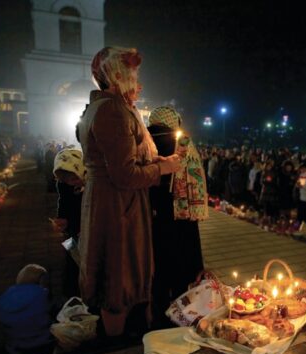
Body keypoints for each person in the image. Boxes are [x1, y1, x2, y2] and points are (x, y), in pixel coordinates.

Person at [77, 46, 182, 336]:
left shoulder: (113, 107)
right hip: (117, 206)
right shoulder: (112, 110)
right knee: (117, 277)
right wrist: (162, 169)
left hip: (116, 201)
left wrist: (159, 160)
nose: (138, 83)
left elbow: (130, 157)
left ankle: (126, 334)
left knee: (122, 272)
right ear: (117, 76)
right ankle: (116, 352)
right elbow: (124, 174)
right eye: (133, 75)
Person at [146, 106, 207, 329]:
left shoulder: (144, 141)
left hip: (151, 214)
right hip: (181, 217)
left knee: (158, 268)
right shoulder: (182, 143)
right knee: (182, 266)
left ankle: (158, 317)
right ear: (174, 121)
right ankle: (183, 316)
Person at [0, 264, 54, 354]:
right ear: (41, 280)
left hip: (15, 348)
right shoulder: (42, 294)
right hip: (44, 343)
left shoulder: (1, 300)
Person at [52, 147, 86, 298]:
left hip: (87, 230)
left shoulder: (94, 185)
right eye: (66, 180)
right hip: (70, 232)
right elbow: (63, 202)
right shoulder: (63, 185)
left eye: (73, 178)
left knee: (88, 264)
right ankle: (72, 295)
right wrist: (61, 219)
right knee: (71, 261)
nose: (71, 183)